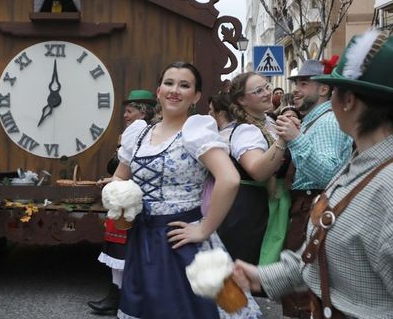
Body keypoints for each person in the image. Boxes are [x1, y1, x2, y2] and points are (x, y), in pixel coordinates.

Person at [234, 30, 393, 319]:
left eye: (335, 90)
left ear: (348, 100)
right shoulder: (366, 162)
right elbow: (328, 254)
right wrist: (262, 278)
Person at [112, 61, 260, 318]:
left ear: (196, 96)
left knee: (197, 310)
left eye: (184, 85)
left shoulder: (195, 131)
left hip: (184, 242)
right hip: (143, 241)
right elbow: (119, 177)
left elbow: (229, 179)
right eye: (169, 83)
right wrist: (123, 201)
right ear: (158, 91)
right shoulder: (137, 135)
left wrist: (204, 228)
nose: (175, 90)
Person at [274, 59, 353, 317]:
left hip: (313, 207)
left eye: (304, 83)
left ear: (323, 90)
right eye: (296, 83)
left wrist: (296, 140)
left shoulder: (328, 121)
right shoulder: (314, 120)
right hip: (307, 206)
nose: (296, 89)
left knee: (305, 289)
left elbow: (328, 174)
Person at [88, 89, 156, 315]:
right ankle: (118, 295)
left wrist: (116, 175)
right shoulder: (145, 130)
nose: (125, 115)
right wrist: (114, 178)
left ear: (142, 111)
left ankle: (119, 297)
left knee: (122, 249)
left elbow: (121, 164)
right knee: (123, 250)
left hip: (132, 200)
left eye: (130, 111)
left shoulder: (137, 130)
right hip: (131, 195)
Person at [218, 73, 292, 267]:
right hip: (252, 212)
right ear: (242, 100)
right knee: (250, 273)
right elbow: (258, 171)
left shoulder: (268, 122)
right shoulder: (246, 131)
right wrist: (283, 140)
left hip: (271, 205)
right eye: (258, 91)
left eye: (266, 87)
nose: (267, 93)